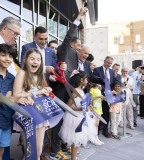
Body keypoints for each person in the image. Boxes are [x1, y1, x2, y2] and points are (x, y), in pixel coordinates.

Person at [50, 7, 88, 159]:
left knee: (68, 121)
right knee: (58, 121)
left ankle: (65, 147)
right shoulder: (66, 49)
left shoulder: (75, 57)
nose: (80, 48)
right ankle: (54, 151)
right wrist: (78, 17)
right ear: (72, 44)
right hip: (60, 90)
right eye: (79, 46)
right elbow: (68, 35)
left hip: (70, 92)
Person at [13, 48, 52, 160]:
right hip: (27, 114)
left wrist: (46, 90)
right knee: (30, 151)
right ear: (26, 60)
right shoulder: (22, 73)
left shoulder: (40, 75)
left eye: (38, 59)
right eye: (32, 59)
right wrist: (37, 92)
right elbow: (16, 94)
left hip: (40, 113)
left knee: (38, 151)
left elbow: (41, 91)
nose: (35, 62)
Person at [59, 71, 91, 160]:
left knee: (78, 139)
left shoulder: (82, 90)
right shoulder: (76, 91)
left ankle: (74, 157)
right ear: (81, 80)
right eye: (86, 79)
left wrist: (87, 106)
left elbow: (82, 103)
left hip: (80, 116)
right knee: (75, 139)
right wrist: (80, 108)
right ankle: (73, 158)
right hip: (75, 117)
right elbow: (69, 105)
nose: (87, 81)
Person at [93, 56, 116, 138]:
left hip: (109, 95)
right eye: (108, 62)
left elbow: (113, 82)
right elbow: (94, 79)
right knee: (98, 111)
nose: (109, 64)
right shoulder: (97, 70)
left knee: (106, 112)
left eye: (110, 63)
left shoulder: (112, 72)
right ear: (104, 61)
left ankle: (105, 129)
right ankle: (97, 128)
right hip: (99, 94)